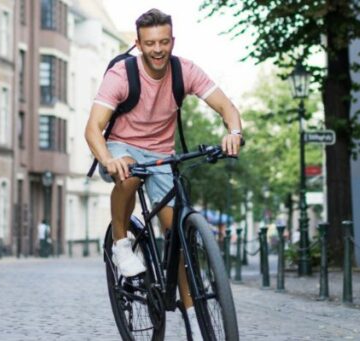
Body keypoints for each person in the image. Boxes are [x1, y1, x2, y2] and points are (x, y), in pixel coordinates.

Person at [84, 8, 243, 338]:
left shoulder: (184, 71)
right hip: (120, 146)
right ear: (139, 43)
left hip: (162, 154)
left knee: (179, 239)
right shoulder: (121, 75)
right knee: (128, 174)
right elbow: (93, 129)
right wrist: (108, 159)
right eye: (150, 43)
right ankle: (121, 244)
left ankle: (193, 322)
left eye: (164, 42)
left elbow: (227, 108)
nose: (158, 49)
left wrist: (234, 133)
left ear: (173, 40)